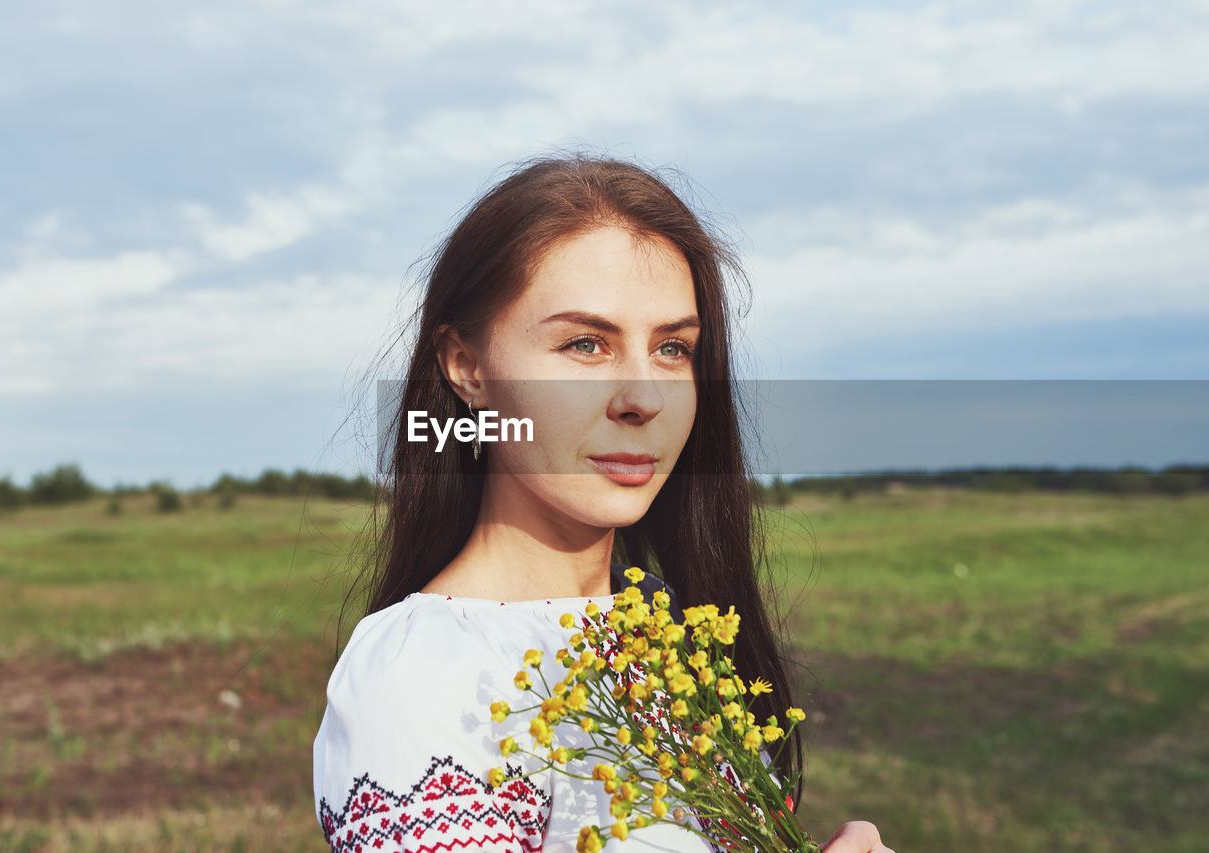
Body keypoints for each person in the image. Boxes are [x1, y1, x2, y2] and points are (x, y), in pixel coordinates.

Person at [312, 155, 893, 853]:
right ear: (466, 367)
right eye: (585, 343)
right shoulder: (423, 674)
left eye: (674, 348)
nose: (644, 397)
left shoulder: (667, 635)